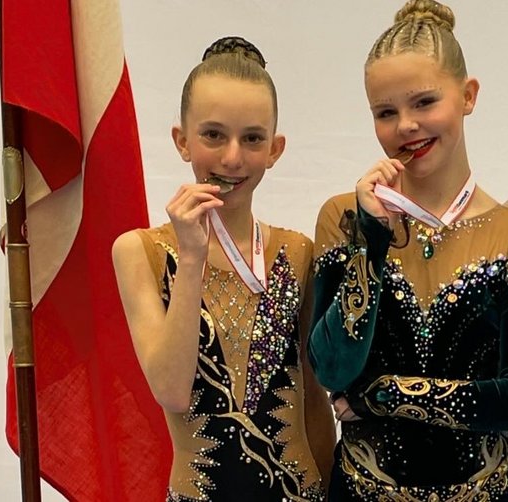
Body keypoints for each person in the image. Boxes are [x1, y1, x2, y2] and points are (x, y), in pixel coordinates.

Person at [307, 1, 508, 499]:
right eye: (386, 112)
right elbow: (332, 369)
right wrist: (373, 242)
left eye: (424, 102)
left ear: (468, 95)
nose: (406, 125)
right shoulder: (344, 219)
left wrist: (384, 394)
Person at [112, 36, 334, 501]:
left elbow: (314, 399)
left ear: (275, 149)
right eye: (213, 135)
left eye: (252, 138)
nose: (232, 158)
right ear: (182, 141)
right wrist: (191, 257)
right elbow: (173, 391)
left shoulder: (297, 253)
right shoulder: (140, 252)